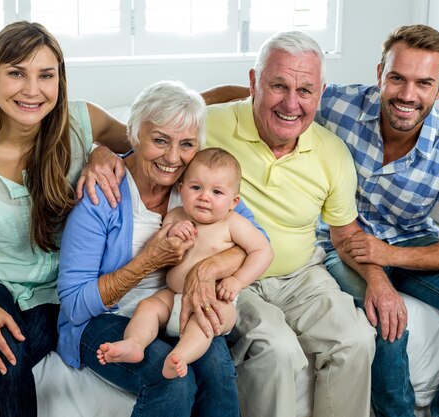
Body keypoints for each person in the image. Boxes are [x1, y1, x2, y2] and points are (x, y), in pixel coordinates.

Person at [0, 21, 130, 417]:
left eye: (46, 75)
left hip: (58, 293)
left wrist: (102, 153)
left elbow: (149, 143)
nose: (32, 90)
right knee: (6, 348)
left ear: (60, 80)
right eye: (16, 73)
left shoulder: (81, 124)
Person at [314, 25, 439, 417]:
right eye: (397, 78)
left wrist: (390, 256)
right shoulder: (337, 105)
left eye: (423, 83)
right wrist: (192, 105)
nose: (407, 95)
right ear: (379, 74)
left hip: (409, 243)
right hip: (341, 241)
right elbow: (265, 98)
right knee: (387, 323)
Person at [57, 80, 257, 417]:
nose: (173, 157)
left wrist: (206, 270)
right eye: (160, 140)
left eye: (187, 144)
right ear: (133, 134)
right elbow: (75, 305)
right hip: (106, 318)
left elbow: (256, 242)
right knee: (173, 382)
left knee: (218, 371)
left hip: (178, 307)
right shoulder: (102, 193)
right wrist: (149, 261)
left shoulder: (199, 186)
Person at [204, 32, 377, 417]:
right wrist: (105, 155)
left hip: (302, 276)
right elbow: (146, 142)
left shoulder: (332, 152)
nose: (291, 103)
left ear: (321, 94)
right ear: (253, 81)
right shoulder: (207, 126)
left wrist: (379, 282)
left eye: (305, 90)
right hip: (233, 277)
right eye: (278, 85)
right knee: (277, 349)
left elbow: (345, 233)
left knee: (357, 339)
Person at [96, 147, 273, 380]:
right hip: (171, 294)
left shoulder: (233, 223)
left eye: (217, 192)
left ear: (234, 201)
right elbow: (157, 249)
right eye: (196, 187)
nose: (204, 196)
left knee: (203, 326)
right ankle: (134, 343)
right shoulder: (176, 215)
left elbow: (263, 252)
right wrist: (171, 232)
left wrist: (237, 281)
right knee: (147, 308)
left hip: (213, 301)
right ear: (181, 189)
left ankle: (178, 357)